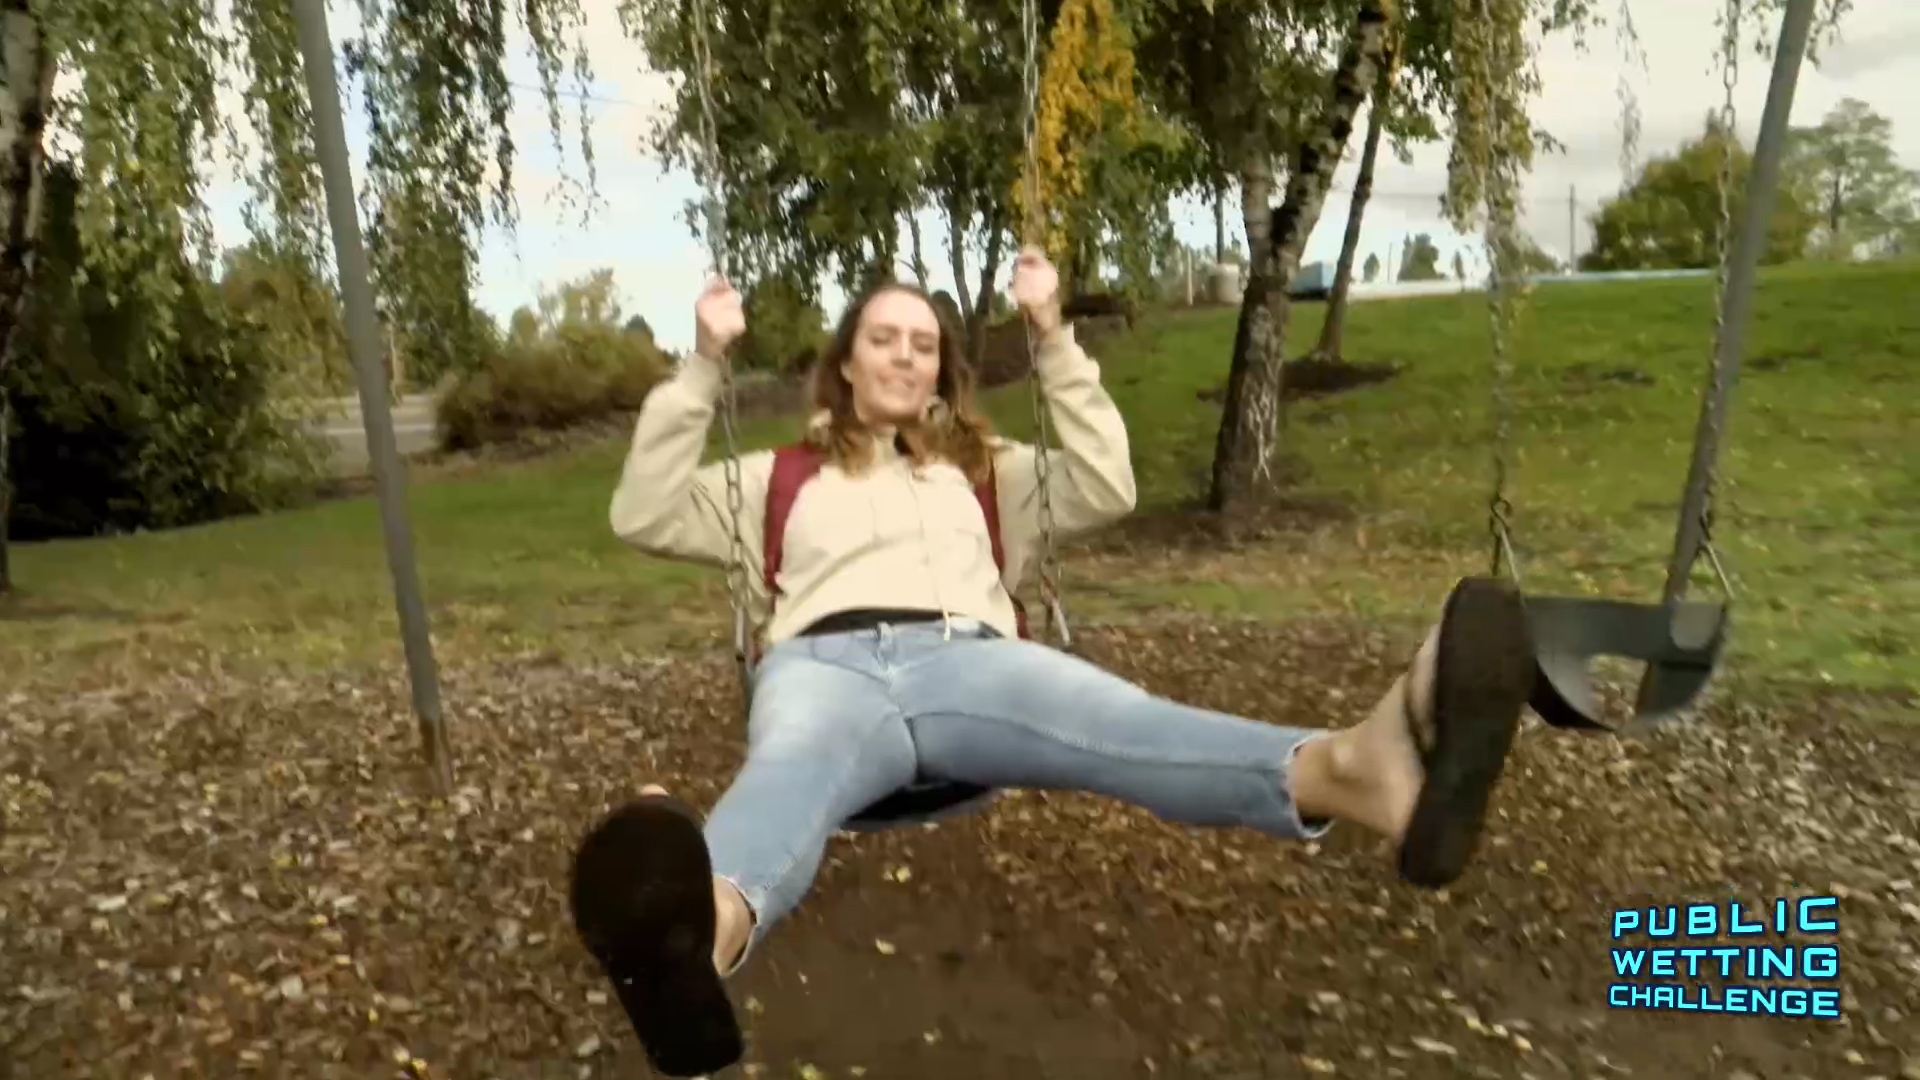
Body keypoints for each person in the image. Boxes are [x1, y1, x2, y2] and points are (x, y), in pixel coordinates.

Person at [570, 248, 1534, 1078]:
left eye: (924, 343)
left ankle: (1360, 775)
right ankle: (706, 929)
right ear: (847, 366)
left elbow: (1108, 481)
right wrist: (702, 364)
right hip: (822, 667)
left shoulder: (991, 470)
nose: (906, 354)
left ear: (944, 371)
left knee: (1118, 721)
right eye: (883, 338)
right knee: (788, 770)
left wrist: (1052, 336)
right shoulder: (773, 478)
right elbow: (638, 510)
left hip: (970, 664)